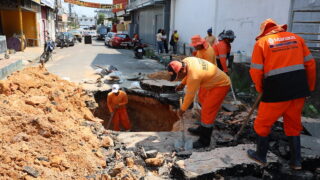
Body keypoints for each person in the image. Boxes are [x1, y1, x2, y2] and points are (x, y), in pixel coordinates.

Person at [247, 19, 316, 170]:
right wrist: (308, 88)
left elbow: (256, 70)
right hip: (298, 90)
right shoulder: (297, 38)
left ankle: (261, 156)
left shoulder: (262, 43)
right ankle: (296, 162)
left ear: (264, 31)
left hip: (275, 91)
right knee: (293, 125)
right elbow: (310, 65)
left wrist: (260, 88)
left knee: (262, 124)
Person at [167, 57, 230, 149]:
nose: (178, 78)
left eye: (178, 76)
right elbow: (188, 73)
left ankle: (204, 141)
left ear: (181, 70)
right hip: (210, 81)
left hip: (220, 85)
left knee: (208, 111)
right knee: (202, 101)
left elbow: (190, 95)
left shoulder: (194, 76)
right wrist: (183, 83)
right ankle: (202, 128)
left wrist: (182, 109)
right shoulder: (187, 61)